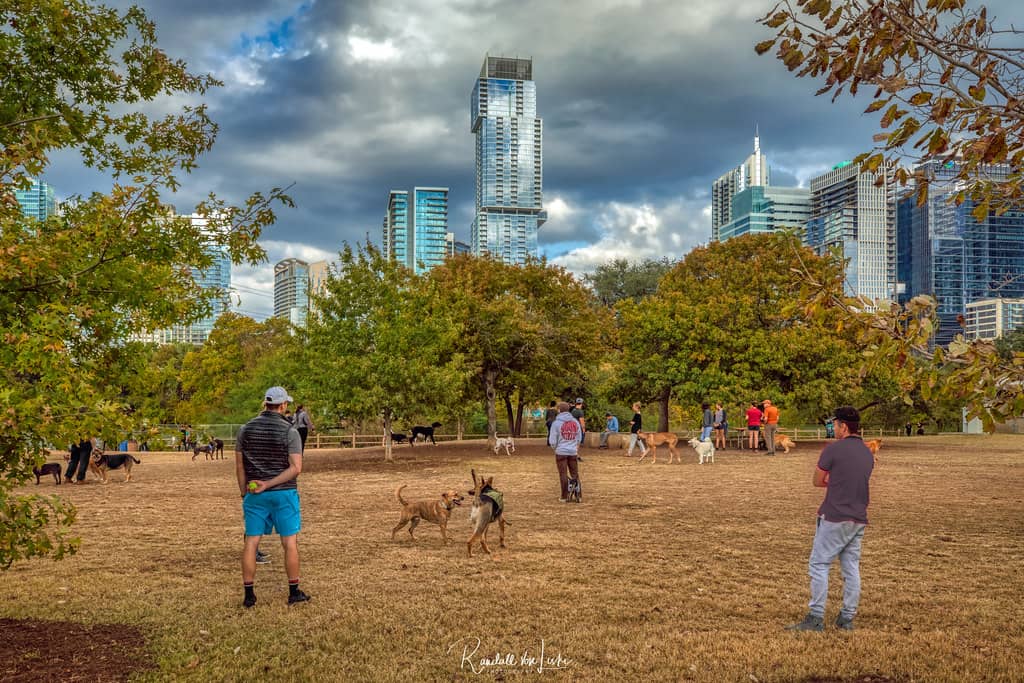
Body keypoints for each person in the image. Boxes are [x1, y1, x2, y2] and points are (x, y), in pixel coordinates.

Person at [787, 406, 874, 632]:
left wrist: (833, 482)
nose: (833, 428)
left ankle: (815, 616)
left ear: (843, 426)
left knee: (819, 564)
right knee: (851, 567)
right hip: (858, 517)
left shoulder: (833, 449)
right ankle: (847, 617)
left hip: (835, 515)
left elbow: (817, 480)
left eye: (834, 425)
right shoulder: (867, 452)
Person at [236, 386, 309, 608]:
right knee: (289, 542)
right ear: (283, 405)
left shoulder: (245, 430)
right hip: (284, 493)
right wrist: (270, 483)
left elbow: (240, 466)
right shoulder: (290, 431)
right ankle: (294, 592)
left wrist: (244, 493)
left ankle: (249, 595)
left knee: (251, 542)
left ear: (265, 403)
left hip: (254, 494)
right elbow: (296, 468)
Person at [548, 402, 582, 502]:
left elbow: (552, 441)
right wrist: (575, 447)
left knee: (563, 474)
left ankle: (564, 496)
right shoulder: (575, 422)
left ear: (559, 410)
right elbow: (579, 438)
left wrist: (556, 448)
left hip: (561, 451)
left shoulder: (556, 423)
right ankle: (578, 494)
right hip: (573, 451)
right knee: (575, 473)